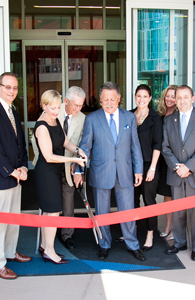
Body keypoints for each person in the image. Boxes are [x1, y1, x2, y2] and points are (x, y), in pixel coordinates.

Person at [74, 81, 145, 261]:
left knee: (127, 211)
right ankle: (104, 244)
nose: (109, 103)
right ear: (100, 99)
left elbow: (135, 146)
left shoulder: (129, 118)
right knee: (102, 212)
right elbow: (85, 147)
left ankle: (132, 244)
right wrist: (78, 171)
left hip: (125, 172)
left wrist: (139, 170)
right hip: (101, 172)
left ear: (119, 99)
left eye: (112, 99)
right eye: (105, 99)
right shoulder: (92, 119)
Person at [0, 72, 31, 280]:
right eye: (7, 87)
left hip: (17, 175)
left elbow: (20, 144)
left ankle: (10, 252)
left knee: (13, 219)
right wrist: (10, 170)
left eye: (15, 87)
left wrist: (24, 167)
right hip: (1, 176)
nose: (12, 91)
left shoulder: (14, 111)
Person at [33, 90, 87, 264]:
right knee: (53, 211)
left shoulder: (54, 120)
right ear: (44, 106)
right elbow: (49, 156)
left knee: (50, 211)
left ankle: (44, 246)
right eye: (52, 108)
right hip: (46, 172)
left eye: (58, 108)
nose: (56, 111)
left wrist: (78, 149)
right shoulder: (42, 126)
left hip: (54, 172)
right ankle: (49, 250)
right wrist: (74, 158)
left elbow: (65, 142)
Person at [162, 85, 195, 261]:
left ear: (192, 99)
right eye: (179, 97)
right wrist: (178, 167)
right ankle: (179, 243)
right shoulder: (169, 120)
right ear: (175, 100)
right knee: (178, 211)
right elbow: (165, 146)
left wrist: (188, 167)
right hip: (177, 173)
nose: (182, 101)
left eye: (186, 97)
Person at [131, 84, 162, 251]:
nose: (141, 99)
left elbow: (158, 144)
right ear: (135, 97)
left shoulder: (155, 118)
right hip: (130, 165)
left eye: (145, 96)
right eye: (138, 96)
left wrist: (152, 168)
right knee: (132, 200)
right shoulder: (128, 115)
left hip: (148, 165)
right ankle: (133, 230)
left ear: (150, 98)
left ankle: (150, 234)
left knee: (149, 201)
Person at [156, 85, 178, 241]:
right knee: (167, 196)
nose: (170, 99)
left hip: (175, 161)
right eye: (168, 96)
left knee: (177, 197)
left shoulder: (179, 116)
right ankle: (168, 226)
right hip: (162, 161)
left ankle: (176, 230)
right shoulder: (160, 116)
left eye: (173, 96)